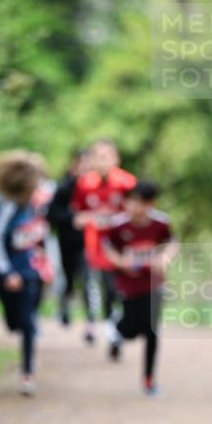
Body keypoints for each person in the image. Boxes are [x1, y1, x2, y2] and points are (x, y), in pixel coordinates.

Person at [102, 180, 177, 395]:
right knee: (131, 330)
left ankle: (149, 380)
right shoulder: (118, 225)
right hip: (127, 284)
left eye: (140, 203)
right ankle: (117, 330)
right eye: (131, 202)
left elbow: (172, 243)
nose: (134, 207)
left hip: (153, 283)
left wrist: (164, 258)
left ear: (150, 204)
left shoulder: (160, 223)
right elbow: (107, 247)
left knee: (151, 329)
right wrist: (120, 262)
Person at [0, 150, 48, 396]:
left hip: (31, 272)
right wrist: (6, 272)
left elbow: (41, 236)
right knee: (14, 323)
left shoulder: (35, 206)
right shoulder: (9, 206)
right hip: (10, 274)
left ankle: (27, 373)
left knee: (28, 322)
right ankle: (21, 327)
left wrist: (46, 263)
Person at [70, 139, 136, 356]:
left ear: (116, 159)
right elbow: (77, 213)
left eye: (106, 157)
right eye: (98, 157)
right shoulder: (84, 183)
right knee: (100, 287)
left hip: (122, 247)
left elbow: (137, 213)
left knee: (119, 290)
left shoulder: (127, 183)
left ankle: (118, 326)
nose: (102, 161)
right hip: (96, 246)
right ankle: (108, 330)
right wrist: (85, 218)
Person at [47, 148, 94, 330]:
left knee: (87, 278)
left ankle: (91, 318)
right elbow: (52, 214)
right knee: (68, 278)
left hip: (88, 244)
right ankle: (65, 308)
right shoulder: (65, 187)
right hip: (67, 241)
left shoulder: (97, 188)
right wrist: (73, 217)